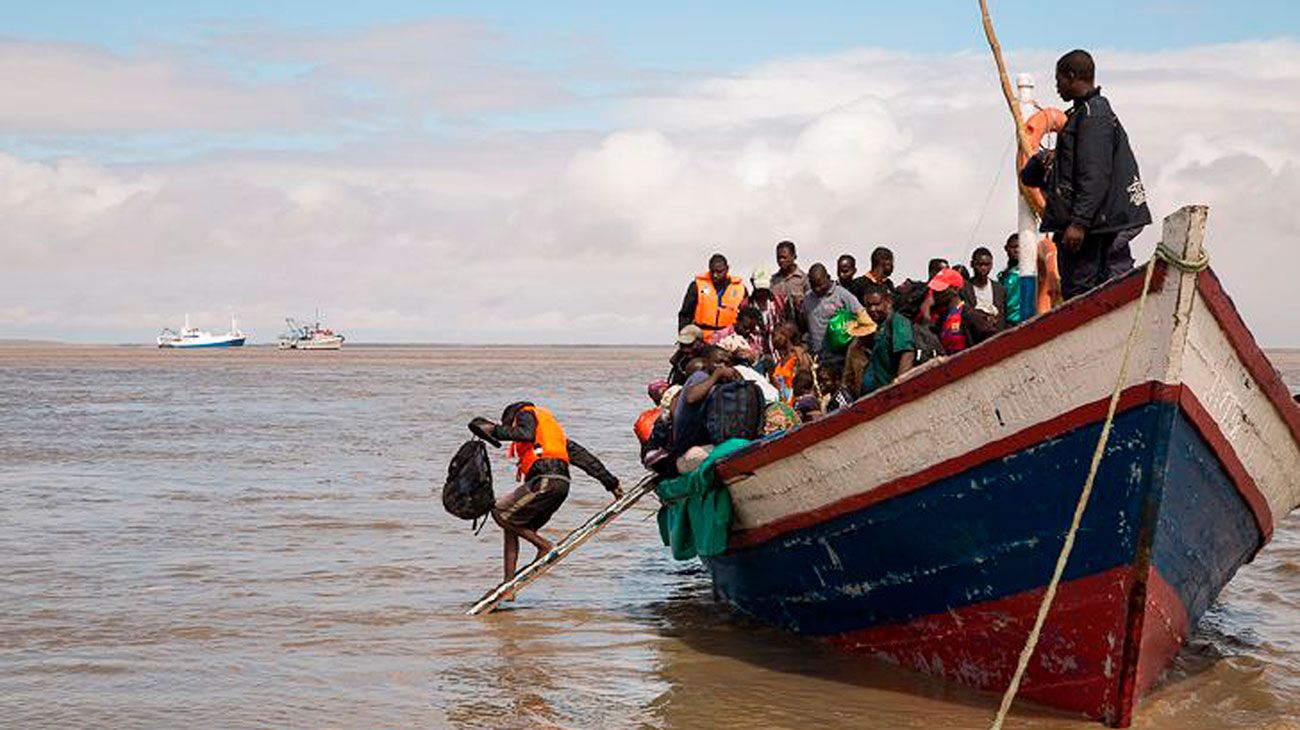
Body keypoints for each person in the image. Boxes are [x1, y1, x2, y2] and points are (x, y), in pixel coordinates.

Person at [1021, 49, 1152, 299]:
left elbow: (1095, 174)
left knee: (1084, 292)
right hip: (1089, 225)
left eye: (1058, 79)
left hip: (1091, 230)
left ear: (1071, 76)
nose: (1056, 86)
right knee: (1081, 289)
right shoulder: (1081, 114)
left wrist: (1079, 222)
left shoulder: (1094, 115)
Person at [475, 403, 622, 586]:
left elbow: (525, 433)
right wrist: (611, 483)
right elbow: (585, 458)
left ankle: (543, 546)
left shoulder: (525, 413)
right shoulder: (554, 437)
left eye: (509, 425)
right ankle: (508, 582)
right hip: (560, 485)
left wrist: (495, 431)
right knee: (512, 524)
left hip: (545, 481)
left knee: (498, 511)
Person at [672, 347, 741, 472]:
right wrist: (716, 375)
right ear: (706, 362)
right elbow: (691, 397)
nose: (722, 366)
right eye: (718, 362)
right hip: (688, 452)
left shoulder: (710, 383)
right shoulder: (701, 376)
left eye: (726, 363)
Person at [801, 263, 864, 359]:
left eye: (820, 285)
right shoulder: (807, 298)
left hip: (839, 357)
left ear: (828, 277)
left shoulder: (842, 295)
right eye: (814, 285)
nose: (817, 289)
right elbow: (805, 323)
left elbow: (862, 315)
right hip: (816, 355)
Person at [861, 290, 916, 394]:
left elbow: (907, 353)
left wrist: (900, 388)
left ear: (888, 302)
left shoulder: (897, 321)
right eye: (868, 306)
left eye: (877, 304)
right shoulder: (881, 327)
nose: (872, 309)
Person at [678, 253, 747, 333]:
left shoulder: (740, 289)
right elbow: (685, 315)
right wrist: (684, 337)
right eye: (712, 271)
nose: (715, 275)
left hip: (729, 337)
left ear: (727, 269)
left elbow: (746, 316)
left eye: (719, 272)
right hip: (702, 337)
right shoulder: (696, 286)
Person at [961, 247, 1008, 336]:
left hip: (996, 338)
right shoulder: (964, 289)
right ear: (972, 264)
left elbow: (1004, 316)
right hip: (973, 339)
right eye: (980, 264)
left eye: (987, 265)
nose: (983, 268)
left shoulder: (999, 290)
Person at [930, 268, 977, 354]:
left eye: (940, 289)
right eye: (934, 289)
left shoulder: (967, 313)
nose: (935, 293)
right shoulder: (940, 317)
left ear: (955, 289)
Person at [770, 322, 814, 406]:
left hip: (799, 405)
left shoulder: (798, 354)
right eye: (772, 337)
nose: (774, 340)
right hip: (786, 408)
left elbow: (806, 380)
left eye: (776, 335)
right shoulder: (779, 363)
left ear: (786, 336)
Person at [770, 240, 809, 317]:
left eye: (784, 257)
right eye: (779, 257)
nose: (781, 260)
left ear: (794, 257)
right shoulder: (772, 281)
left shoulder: (804, 279)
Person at [999, 233, 1023, 325]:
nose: (1017, 250)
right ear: (1006, 248)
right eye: (1013, 247)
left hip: (1027, 319)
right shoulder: (1003, 276)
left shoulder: (1032, 272)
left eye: (1019, 247)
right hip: (1009, 322)